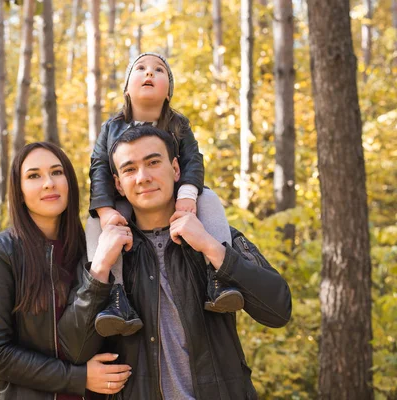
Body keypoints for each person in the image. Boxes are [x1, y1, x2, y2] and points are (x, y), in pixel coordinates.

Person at [60, 125, 292, 399]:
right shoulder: (104, 254)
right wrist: (99, 269)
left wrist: (210, 247)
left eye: (153, 162)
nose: (143, 177)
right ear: (118, 184)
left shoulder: (214, 235)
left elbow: (278, 310)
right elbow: (73, 349)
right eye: (130, 169)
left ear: (176, 169)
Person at [87, 52, 243, 337]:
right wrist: (105, 209)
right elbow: (98, 167)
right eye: (141, 68)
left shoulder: (178, 125)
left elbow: (193, 160)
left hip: (177, 195)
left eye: (159, 70)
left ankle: (218, 277)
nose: (149, 73)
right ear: (127, 88)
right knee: (95, 226)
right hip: (125, 199)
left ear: (168, 91)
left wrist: (187, 194)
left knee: (209, 200)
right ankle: (116, 295)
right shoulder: (111, 127)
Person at [0, 142, 132, 400]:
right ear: (19, 191)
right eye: (34, 175)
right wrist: (78, 378)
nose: (49, 183)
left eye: (57, 172)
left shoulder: (92, 248)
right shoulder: (0, 252)